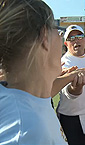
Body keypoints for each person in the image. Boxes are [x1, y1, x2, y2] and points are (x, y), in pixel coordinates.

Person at [0, 0, 68, 144]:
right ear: (44, 37)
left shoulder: (30, 104)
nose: (61, 40)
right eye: (59, 31)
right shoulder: (25, 130)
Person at [56, 24, 85, 145]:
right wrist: (76, 88)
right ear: (66, 44)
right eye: (71, 38)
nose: (76, 40)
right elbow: (68, 93)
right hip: (70, 117)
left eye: (79, 36)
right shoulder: (63, 62)